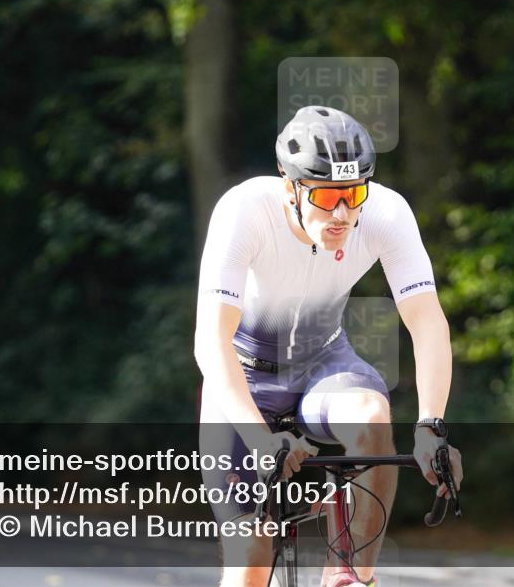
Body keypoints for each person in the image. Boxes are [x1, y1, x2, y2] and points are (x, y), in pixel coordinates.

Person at [194, 106, 463, 587]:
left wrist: (431, 426)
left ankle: (349, 575)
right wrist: (260, 440)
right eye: (325, 196)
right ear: (290, 186)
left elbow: (427, 322)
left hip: (324, 363)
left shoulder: (386, 212)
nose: (342, 213)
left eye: (353, 194)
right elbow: (210, 342)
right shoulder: (244, 210)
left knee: (371, 416)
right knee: (251, 557)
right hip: (244, 375)